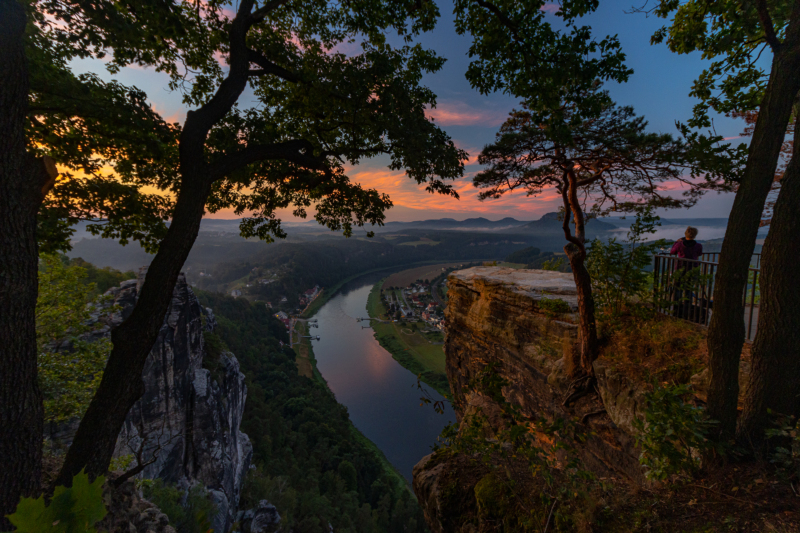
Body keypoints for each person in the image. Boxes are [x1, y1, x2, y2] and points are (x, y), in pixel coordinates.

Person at [669, 227, 704, 319]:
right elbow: (699, 254)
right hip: (693, 269)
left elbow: (672, 252)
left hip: (681, 269)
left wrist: (676, 242)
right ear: (695, 235)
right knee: (689, 288)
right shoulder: (698, 245)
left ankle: (677, 308)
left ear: (685, 234)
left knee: (678, 289)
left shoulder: (679, 244)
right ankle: (687, 308)